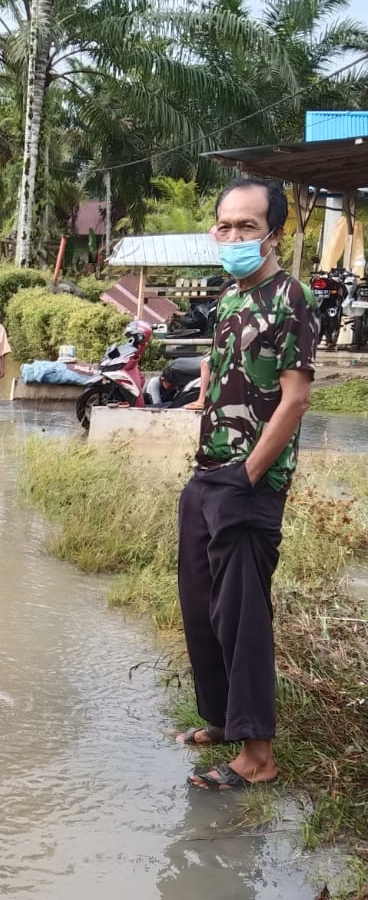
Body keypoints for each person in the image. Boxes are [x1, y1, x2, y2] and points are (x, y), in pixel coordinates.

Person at [177, 177, 319, 790]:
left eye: (247, 227)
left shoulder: (292, 297)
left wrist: (247, 474)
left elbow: (295, 400)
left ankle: (258, 756)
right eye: (225, 226)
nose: (233, 236)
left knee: (243, 616)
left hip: (249, 484)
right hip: (207, 472)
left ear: (274, 234)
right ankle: (220, 719)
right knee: (202, 605)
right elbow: (226, 370)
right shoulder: (232, 298)